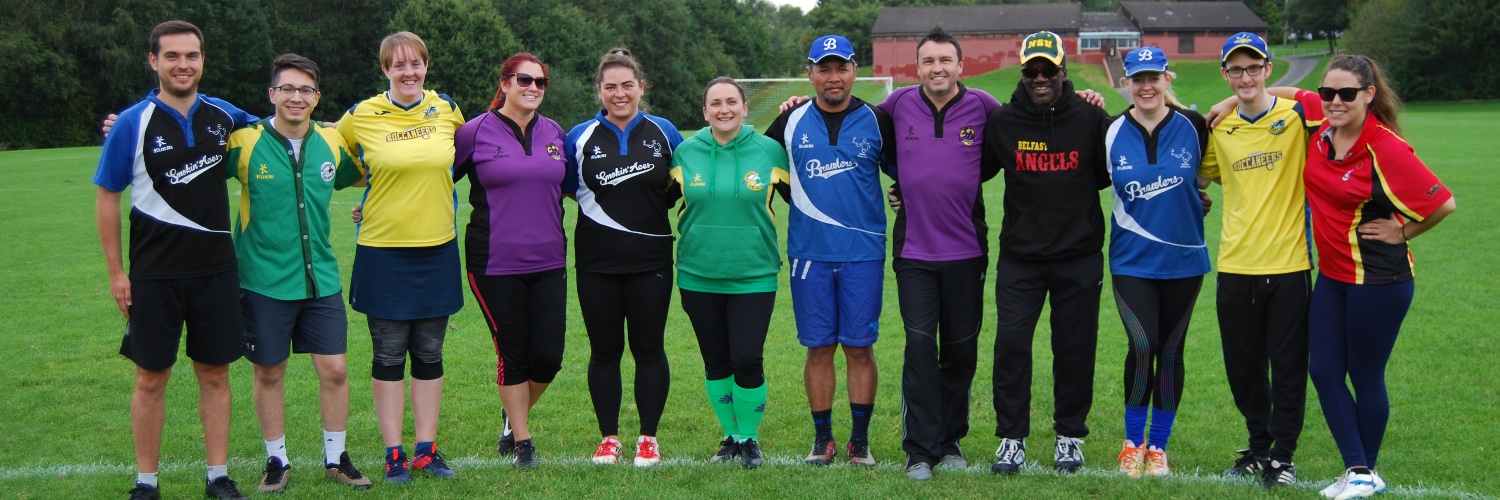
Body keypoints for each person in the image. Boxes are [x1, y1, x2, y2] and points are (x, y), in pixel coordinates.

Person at [94, 20, 255, 500]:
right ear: (154, 61)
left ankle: (218, 477)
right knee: (150, 377)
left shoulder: (225, 115)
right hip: (154, 274)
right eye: (172, 56)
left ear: (203, 60)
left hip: (216, 271)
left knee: (216, 373)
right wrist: (116, 272)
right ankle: (146, 483)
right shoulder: (131, 122)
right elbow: (107, 197)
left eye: (192, 56)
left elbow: (281, 125)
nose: (183, 65)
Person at [1303, 55, 1454, 500]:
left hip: (1379, 281)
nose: (1334, 101)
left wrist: (1402, 230)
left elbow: (1442, 203)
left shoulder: (1384, 147)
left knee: (1364, 374)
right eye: (1328, 92)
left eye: (1346, 94)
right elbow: (1292, 95)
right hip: (1332, 276)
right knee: (1324, 369)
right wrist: (1222, 105)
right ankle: (1360, 471)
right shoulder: (1322, 129)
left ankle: (1364, 472)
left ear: (1369, 95)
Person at [226, 53, 372, 493]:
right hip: (263, 280)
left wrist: (372, 204)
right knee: (269, 372)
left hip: (321, 278)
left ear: (316, 97)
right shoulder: (244, 142)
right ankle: (277, 460)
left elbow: (375, 173)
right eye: (287, 89)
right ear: (272, 94)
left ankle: (336, 457)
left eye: (305, 90)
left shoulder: (330, 142)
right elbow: (190, 154)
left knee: (336, 370)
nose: (296, 97)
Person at [334, 31, 464, 483]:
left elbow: (463, 159)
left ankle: (426, 450)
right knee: (388, 354)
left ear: (426, 66)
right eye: (399, 64)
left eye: (417, 63)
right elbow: (339, 164)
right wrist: (369, 193)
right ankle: (394, 454)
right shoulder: (360, 115)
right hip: (382, 251)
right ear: (384, 69)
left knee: (430, 351)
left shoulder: (446, 108)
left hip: (437, 247)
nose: (409, 71)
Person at [984, 30, 1112, 475]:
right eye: (1032, 70)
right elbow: (968, 170)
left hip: (1079, 257)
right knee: (1011, 346)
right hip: (1021, 258)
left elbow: (1116, 172)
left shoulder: (1092, 119)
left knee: (1075, 349)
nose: (1040, 77)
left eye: (1048, 70)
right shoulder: (1003, 122)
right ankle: (1011, 439)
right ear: (1023, 73)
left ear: (1063, 70)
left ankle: (1068, 437)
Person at [1199, 32, 1323, 488]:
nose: (1246, 76)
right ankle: (1258, 446)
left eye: (1254, 67)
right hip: (1234, 266)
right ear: (1225, 73)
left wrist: (1225, 99)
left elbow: (1320, 97)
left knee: (1288, 367)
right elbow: (1201, 178)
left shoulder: (1296, 117)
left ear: (1268, 68)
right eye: (1236, 69)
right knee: (1243, 368)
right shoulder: (1219, 129)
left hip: (1289, 264)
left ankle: (1283, 457)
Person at [878, 26, 1001, 481]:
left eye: (945, 60)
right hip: (914, 251)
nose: (937, 68)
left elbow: (1026, 128)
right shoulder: (896, 105)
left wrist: (1083, 96)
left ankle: (950, 440)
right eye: (928, 61)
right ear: (917, 67)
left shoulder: (985, 106)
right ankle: (920, 450)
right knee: (918, 347)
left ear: (960, 66)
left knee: (961, 350)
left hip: (967, 250)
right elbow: (854, 124)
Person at [561, 48, 684, 467]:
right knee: (604, 351)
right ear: (599, 90)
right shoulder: (578, 137)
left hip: (651, 261)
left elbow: (690, 184)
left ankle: (648, 437)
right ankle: (609, 437)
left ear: (640, 88)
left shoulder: (665, 132)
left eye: (627, 85)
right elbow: (549, 189)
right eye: (610, 87)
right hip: (597, 264)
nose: (619, 93)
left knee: (649, 349)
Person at [453, 53, 569, 470]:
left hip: (550, 262)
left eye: (541, 82)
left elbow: (579, 190)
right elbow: (430, 178)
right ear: (504, 83)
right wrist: (370, 205)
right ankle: (522, 443)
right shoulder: (473, 132)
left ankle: (512, 412)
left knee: (549, 357)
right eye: (524, 79)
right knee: (513, 352)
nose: (533, 87)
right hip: (494, 264)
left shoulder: (556, 133)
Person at [1100, 47, 1211, 478]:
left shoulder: (1196, 126)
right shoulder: (1108, 131)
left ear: (1168, 78)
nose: (1146, 86)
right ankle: (1132, 443)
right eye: (1137, 78)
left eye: (1154, 77)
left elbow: (1203, 182)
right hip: (1131, 260)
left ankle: (1158, 447)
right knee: (1142, 346)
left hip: (1184, 261)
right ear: (1125, 83)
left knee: (1170, 351)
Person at [670, 77, 790, 470]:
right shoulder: (685, 152)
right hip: (698, 272)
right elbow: (655, 201)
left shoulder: (770, 151)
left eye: (731, 102)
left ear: (743, 108)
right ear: (704, 112)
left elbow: (805, 197)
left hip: (753, 272)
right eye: (715, 103)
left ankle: (750, 437)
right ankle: (730, 437)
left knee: (747, 358)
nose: (724, 109)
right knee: (716, 360)